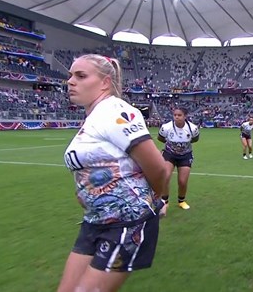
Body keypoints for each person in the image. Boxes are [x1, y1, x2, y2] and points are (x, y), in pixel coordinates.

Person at [58, 54, 170, 292]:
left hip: (126, 221)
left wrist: (158, 200)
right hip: (96, 219)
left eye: (80, 75)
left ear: (105, 83)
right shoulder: (94, 116)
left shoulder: (114, 111)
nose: (70, 81)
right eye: (70, 75)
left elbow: (158, 167)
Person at [157, 107, 200, 210]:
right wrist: (172, 146)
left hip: (185, 155)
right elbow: (160, 138)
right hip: (169, 154)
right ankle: (165, 201)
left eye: (179, 115)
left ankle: (181, 201)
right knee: (165, 177)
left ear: (185, 116)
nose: (176, 117)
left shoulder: (192, 128)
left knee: (182, 181)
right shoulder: (166, 127)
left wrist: (182, 147)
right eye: (175, 115)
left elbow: (195, 139)